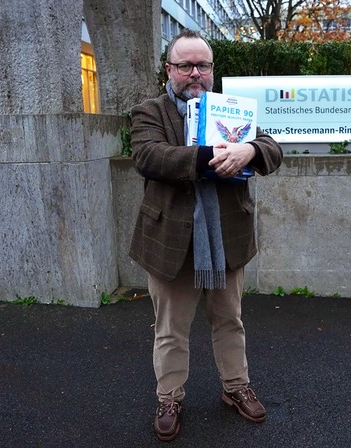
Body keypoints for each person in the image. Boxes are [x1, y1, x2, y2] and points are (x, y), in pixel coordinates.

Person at [129, 29, 283, 441]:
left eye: (203, 65)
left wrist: (249, 150)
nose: (195, 73)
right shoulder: (150, 111)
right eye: (185, 65)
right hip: (171, 242)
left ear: (212, 70)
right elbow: (147, 155)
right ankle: (170, 396)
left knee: (229, 320)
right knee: (171, 329)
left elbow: (272, 147)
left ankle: (236, 388)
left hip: (225, 239)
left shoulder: (230, 109)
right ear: (169, 69)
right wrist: (209, 157)